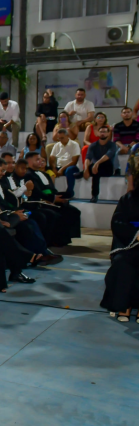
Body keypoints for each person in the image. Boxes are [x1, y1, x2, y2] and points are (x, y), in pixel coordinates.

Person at [100, 172, 139, 322]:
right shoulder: (127, 199)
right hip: (129, 244)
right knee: (122, 263)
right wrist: (136, 234)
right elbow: (117, 223)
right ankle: (124, 305)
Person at [24, 151, 82, 247]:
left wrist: (58, 196)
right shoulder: (28, 175)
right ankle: (54, 241)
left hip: (51, 198)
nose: (40, 161)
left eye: (40, 159)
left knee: (73, 211)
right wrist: (53, 199)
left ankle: (65, 238)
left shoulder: (45, 174)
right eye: (37, 159)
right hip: (42, 202)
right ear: (29, 161)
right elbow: (37, 192)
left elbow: (52, 189)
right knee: (55, 214)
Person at [83, 126, 117, 203]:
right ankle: (94, 196)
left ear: (108, 133)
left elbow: (108, 155)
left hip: (107, 168)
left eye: (104, 132)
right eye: (101, 132)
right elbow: (88, 157)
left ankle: (94, 195)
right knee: (95, 171)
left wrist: (97, 163)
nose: (102, 133)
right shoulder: (93, 145)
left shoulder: (112, 145)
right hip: (95, 168)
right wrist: (86, 169)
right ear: (98, 133)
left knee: (97, 167)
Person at [49, 128, 81, 198]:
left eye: (62, 138)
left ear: (68, 136)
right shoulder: (57, 145)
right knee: (47, 170)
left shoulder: (74, 144)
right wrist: (54, 168)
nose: (60, 140)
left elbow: (74, 161)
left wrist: (62, 169)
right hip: (59, 167)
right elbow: (51, 159)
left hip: (71, 167)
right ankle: (50, 193)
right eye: (59, 138)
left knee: (69, 170)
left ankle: (70, 192)